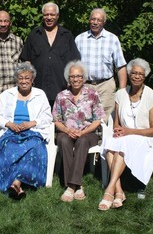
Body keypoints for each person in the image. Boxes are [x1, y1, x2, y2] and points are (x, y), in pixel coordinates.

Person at [98, 58, 153, 211]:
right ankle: (119, 192)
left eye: (140, 74)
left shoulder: (152, 96)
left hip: (144, 137)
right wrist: (119, 130)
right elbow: (117, 122)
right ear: (129, 74)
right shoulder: (120, 94)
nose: (137, 76)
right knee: (110, 144)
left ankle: (110, 190)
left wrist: (129, 131)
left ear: (145, 76)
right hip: (125, 135)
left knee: (123, 144)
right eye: (134, 73)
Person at [0, 62, 53, 200]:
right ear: (16, 79)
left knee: (35, 147)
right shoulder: (7, 94)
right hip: (11, 132)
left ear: (32, 80)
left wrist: (33, 123)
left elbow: (48, 117)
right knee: (6, 147)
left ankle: (16, 183)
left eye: (27, 78)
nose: (24, 81)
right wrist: (9, 124)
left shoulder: (40, 94)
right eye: (21, 78)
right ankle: (18, 183)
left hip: (33, 132)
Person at [52, 61, 106, 202]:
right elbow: (56, 119)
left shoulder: (92, 94)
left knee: (82, 141)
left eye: (79, 76)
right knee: (63, 140)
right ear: (68, 78)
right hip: (66, 131)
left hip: (88, 133)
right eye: (72, 76)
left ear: (84, 78)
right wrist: (67, 130)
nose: (75, 79)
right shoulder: (61, 96)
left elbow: (98, 119)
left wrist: (83, 132)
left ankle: (71, 186)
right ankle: (78, 185)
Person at [20, 2, 81, 107]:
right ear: (42, 16)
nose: (49, 17)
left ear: (57, 16)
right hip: (37, 91)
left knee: (60, 123)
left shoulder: (67, 36)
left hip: (62, 90)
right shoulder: (34, 35)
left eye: (52, 15)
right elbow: (26, 61)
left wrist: (71, 83)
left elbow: (75, 62)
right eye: (46, 15)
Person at [75, 8, 127, 119]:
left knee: (106, 120)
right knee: (85, 119)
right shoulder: (79, 39)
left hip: (106, 86)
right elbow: (73, 66)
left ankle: (105, 136)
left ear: (104, 22)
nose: (95, 22)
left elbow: (121, 66)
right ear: (89, 20)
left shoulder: (113, 39)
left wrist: (122, 91)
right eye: (93, 19)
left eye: (99, 20)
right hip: (85, 86)